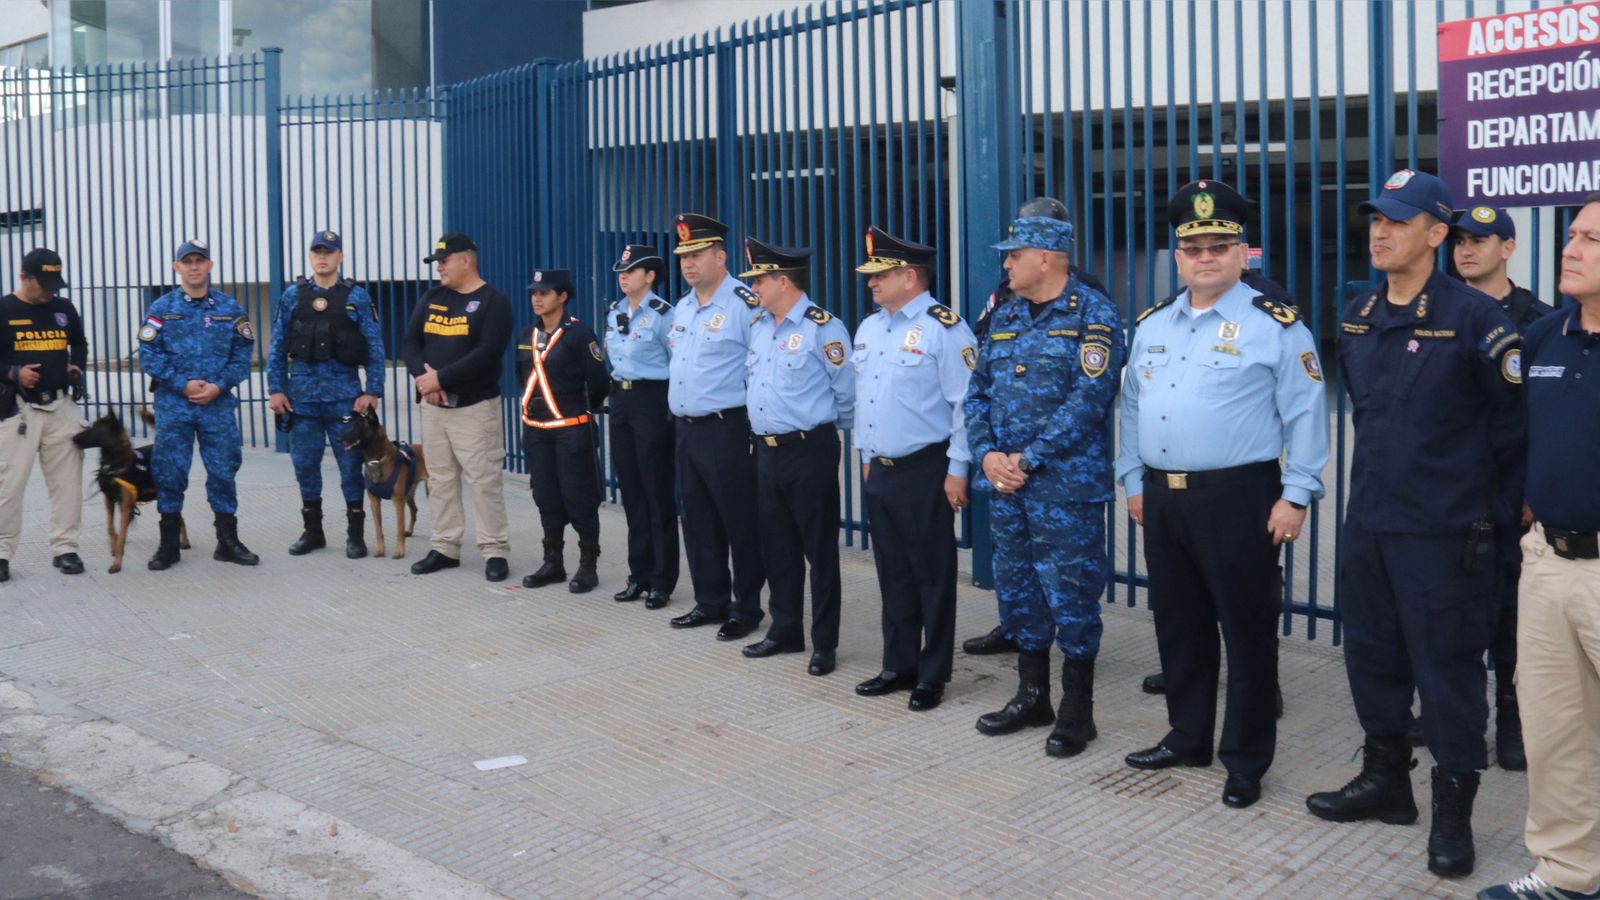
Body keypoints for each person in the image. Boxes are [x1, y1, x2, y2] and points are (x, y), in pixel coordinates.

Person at [1306, 170, 1523, 879]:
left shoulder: (1477, 320)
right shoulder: (1361, 313)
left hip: (1446, 533)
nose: (1380, 231)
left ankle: (1453, 815)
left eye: (1398, 222)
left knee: (1449, 675)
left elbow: (1515, 430)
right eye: (1376, 219)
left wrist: (1493, 518)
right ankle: (1386, 782)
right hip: (1370, 521)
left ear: (1437, 234)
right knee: (1372, 658)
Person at [1115, 180, 1330, 810]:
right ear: (1177, 256)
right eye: (1194, 248)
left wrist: (1296, 497)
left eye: (1220, 245)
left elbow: (1307, 416)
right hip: (1164, 497)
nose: (1206, 257)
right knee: (1178, 625)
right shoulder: (1152, 324)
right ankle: (1188, 736)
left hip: (1241, 497)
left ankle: (1245, 759)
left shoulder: (1276, 327)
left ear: (1244, 253)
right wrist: (1133, 480)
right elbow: (1130, 407)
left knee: (1248, 632)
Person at [964, 205, 1124, 759]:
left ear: (1046, 258)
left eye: (1014, 255)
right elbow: (977, 392)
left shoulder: (1093, 315)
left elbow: (1090, 400)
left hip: (1065, 490)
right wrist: (987, 456)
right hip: (1007, 487)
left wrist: (1027, 458)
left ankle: (1079, 713)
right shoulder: (1005, 316)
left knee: (1072, 598)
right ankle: (1032, 697)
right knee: (1020, 591)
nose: (1006, 264)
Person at [1476, 193, 1600, 900]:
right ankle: (1568, 875)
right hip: (1550, 564)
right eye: (1572, 235)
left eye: (1591, 239)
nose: (1571, 249)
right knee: (1557, 734)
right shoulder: (1547, 337)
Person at [851, 226, 976, 711]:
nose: (871, 284)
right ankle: (897, 664)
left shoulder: (946, 329)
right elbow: (865, 401)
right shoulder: (870, 327)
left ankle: (932, 673)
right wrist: (864, 456)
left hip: (927, 467)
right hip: (880, 469)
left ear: (909, 275)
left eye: (880, 275)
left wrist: (958, 469)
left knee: (932, 574)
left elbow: (965, 405)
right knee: (893, 572)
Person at [1450, 204, 1554, 772]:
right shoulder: (1437, 311)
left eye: (1481, 241)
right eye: (1461, 240)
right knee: (1451, 612)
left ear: (1508, 249)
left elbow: (1543, 417)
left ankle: (1513, 723)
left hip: (1511, 495)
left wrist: (1532, 491)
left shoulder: (1538, 322)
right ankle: (1453, 712)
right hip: (1453, 491)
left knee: (1514, 621)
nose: (1468, 250)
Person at [736, 237, 854, 677]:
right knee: (777, 547)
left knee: (818, 552)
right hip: (766, 451)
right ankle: (785, 629)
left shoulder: (824, 327)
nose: (754, 289)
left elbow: (845, 394)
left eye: (760, 280)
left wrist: (821, 436)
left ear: (782, 281)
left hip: (809, 449)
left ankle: (824, 643)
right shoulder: (759, 325)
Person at [664, 213, 766, 641]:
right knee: (699, 519)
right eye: (684, 255)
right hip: (686, 429)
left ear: (721, 258)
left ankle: (747, 608)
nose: (688, 264)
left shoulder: (744, 304)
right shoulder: (684, 307)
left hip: (728, 427)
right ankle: (710, 601)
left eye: (698, 254)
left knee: (738, 521)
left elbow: (761, 367)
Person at [139, 239, 260, 570]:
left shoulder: (230, 309)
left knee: (223, 470)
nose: (194, 266)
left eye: (200, 260)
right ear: (176, 267)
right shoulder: (160, 309)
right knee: (170, 472)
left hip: (217, 406)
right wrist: (182, 384)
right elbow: (148, 356)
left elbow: (242, 354)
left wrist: (220, 386)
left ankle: (227, 541)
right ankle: (168, 544)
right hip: (175, 406)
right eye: (187, 261)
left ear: (210, 266)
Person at [266, 230, 386, 559]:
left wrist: (372, 390)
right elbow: (277, 348)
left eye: (329, 252)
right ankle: (313, 531)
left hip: (345, 402)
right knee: (305, 465)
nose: (323, 257)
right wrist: (276, 389)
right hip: (302, 401)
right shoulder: (293, 296)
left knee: (350, 467)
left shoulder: (356, 296)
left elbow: (375, 347)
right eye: (317, 251)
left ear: (340, 257)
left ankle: (355, 534)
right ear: (310, 257)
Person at [402, 233, 514, 582]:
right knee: (440, 478)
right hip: (434, 408)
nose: (440, 269)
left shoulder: (493, 302)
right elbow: (410, 342)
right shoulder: (433, 297)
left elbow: (487, 353)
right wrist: (425, 381)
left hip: (474, 408)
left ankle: (494, 550)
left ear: (466, 260)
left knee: (484, 480)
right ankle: (445, 546)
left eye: (444, 261)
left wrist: (442, 380)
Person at [515, 269, 611, 593]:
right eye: (534, 293)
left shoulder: (579, 335)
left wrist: (583, 411)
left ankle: (588, 565)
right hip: (537, 430)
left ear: (563, 296)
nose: (537, 299)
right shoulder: (526, 335)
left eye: (544, 292)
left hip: (571, 429)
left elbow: (598, 381)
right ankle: (553, 562)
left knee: (579, 496)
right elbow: (521, 376)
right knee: (546, 496)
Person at [0, 248, 87, 580]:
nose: (51, 291)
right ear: (24, 277)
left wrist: (76, 365)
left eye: (55, 283)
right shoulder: (4, 309)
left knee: (67, 484)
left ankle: (66, 549)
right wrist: (14, 373)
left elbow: (79, 342)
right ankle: (2, 553)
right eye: (44, 283)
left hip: (61, 408)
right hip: (18, 411)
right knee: (8, 485)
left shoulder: (64, 309)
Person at [602, 245, 678, 609]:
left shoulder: (665, 314)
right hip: (622, 402)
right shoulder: (615, 312)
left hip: (652, 401)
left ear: (650, 276)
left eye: (631, 271)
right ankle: (639, 574)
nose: (623, 276)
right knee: (631, 492)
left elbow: (678, 363)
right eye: (621, 270)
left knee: (656, 493)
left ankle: (663, 580)